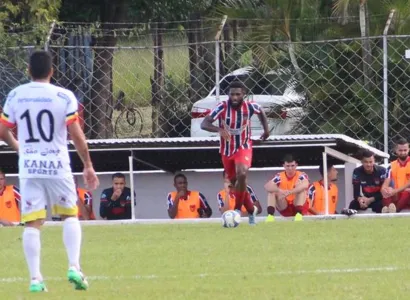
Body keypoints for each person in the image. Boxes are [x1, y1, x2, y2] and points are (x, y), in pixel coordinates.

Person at [0, 50, 99, 293]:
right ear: (52, 71)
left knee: (32, 222)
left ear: (28, 71)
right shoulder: (64, 96)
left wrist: (18, 148)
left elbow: (3, 129)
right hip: (57, 164)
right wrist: (87, 165)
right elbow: (76, 134)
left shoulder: (16, 95)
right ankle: (74, 266)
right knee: (69, 215)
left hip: (30, 166)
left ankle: (35, 279)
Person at [200, 81, 269, 225]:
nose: (235, 97)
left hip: (243, 146)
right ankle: (251, 210)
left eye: (238, 94)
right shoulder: (222, 107)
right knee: (234, 183)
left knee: (242, 174)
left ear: (243, 94)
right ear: (228, 95)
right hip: (226, 150)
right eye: (232, 94)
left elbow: (261, 111)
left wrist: (266, 130)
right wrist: (219, 130)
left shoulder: (250, 106)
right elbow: (204, 123)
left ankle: (237, 210)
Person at [264, 154, 309, 221]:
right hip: (285, 206)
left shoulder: (301, 175)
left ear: (296, 165)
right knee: (272, 191)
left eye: (292, 166)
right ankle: (270, 216)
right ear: (284, 166)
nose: (290, 168)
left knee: (301, 189)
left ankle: (298, 215)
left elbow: (306, 184)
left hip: (298, 204)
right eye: (287, 166)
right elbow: (267, 186)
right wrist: (279, 190)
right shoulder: (279, 176)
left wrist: (291, 191)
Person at [381, 138, 410, 212]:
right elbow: (385, 183)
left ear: (408, 150)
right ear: (396, 151)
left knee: (407, 191)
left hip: (406, 193)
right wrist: (385, 190)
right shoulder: (391, 166)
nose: (403, 152)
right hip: (397, 194)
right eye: (400, 150)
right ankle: (388, 209)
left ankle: (394, 210)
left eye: (405, 150)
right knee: (386, 191)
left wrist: (395, 191)